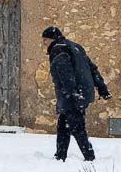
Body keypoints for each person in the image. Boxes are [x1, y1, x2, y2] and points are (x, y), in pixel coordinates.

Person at [43, 26, 110, 162]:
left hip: (73, 95)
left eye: (45, 40)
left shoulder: (58, 49)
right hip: (82, 92)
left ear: (52, 39)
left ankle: (89, 157)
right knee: (64, 125)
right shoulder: (76, 47)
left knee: (77, 127)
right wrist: (102, 88)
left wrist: (72, 94)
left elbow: (65, 73)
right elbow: (92, 69)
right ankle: (60, 156)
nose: (44, 43)